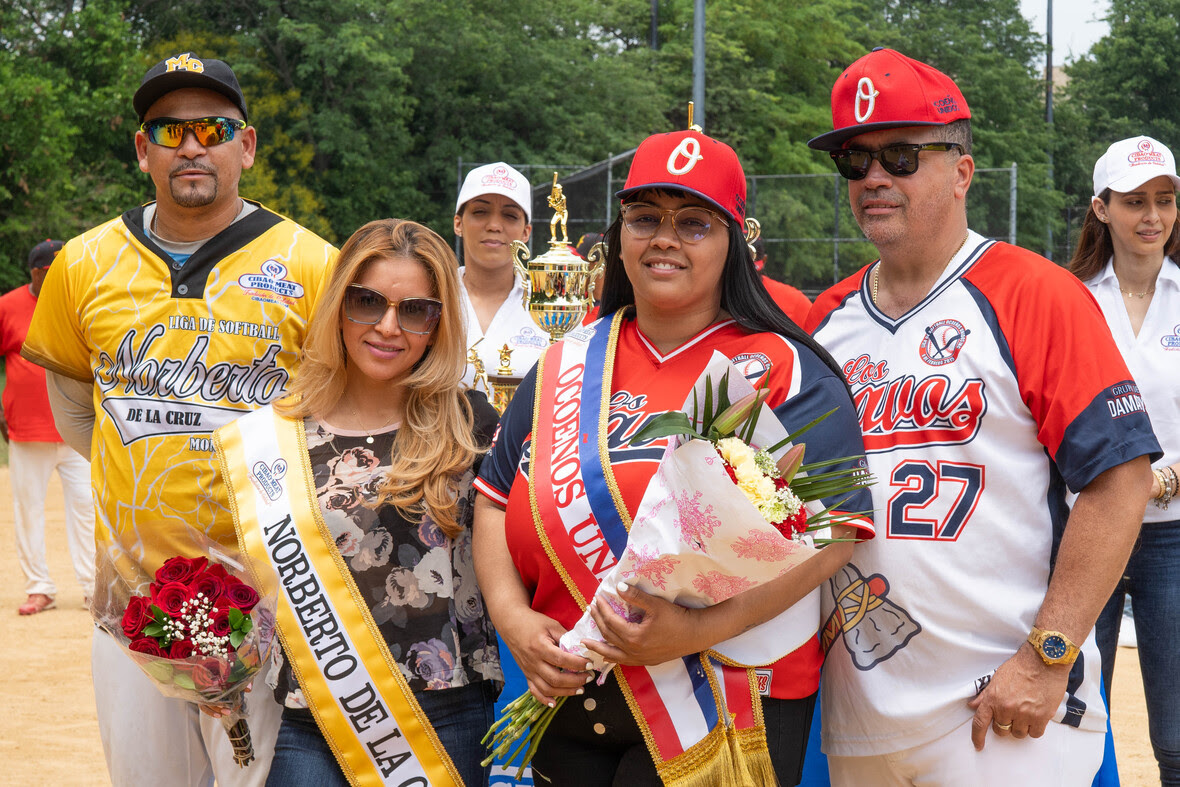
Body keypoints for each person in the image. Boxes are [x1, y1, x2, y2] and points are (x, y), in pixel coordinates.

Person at [473, 126, 874, 786]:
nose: (664, 237)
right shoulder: (566, 359)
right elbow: (491, 498)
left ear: (735, 241)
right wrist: (515, 621)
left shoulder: (785, 365)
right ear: (619, 236)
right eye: (644, 217)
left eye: (694, 222)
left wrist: (696, 629)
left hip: (726, 698)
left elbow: (838, 536)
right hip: (569, 693)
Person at [805, 48, 1160, 786]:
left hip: (1004, 709)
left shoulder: (1035, 294)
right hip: (862, 711)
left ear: (962, 171)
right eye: (855, 159)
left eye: (901, 155)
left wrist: (1046, 656)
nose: (874, 176)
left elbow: (1121, 480)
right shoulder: (826, 320)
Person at [20, 52, 337, 786]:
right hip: (129, 598)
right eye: (169, 130)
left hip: (269, 600)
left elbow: (333, 417)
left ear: (246, 146)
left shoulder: (312, 264)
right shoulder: (84, 262)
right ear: (143, 150)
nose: (191, 145)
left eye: (212, 127)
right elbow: (76, 408)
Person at [215, 218, 502, 786]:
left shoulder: (475, 425)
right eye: (367, 302)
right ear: (337, 304)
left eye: (415, 310)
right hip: (311, 716)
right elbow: (248, 571)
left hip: (449, 711)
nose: (388, 327)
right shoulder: (280, 433)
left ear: (440, 323)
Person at [1068, 135, 1180, 786]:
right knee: (1077, 724)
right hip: (1087, 530)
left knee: (1174, 736)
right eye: (1134, 200)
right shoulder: (1068, 298)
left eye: (1165, 200)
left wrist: (1160, 479)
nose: (1153, 216)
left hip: (1172, 536)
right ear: (1101, 208)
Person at [1, 239, 94, 615]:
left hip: (79, 430)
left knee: (89, 510)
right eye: (54, 272)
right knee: (28, 510)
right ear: (37, 272)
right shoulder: (7, 306)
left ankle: (92, 587)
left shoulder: (80, 301)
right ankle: (39, 588)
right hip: (27, 429)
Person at [454, 162, 547, 387]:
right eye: (480, 212)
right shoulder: (433, 296)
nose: (495, 225)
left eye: (510, 215)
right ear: (458, 224)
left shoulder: (550, 307)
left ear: (526, 232)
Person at [752, 236, 812, 325]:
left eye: (751, 271)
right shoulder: (724, 300)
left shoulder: (794, 300)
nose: (745, 277)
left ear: (764, 260)